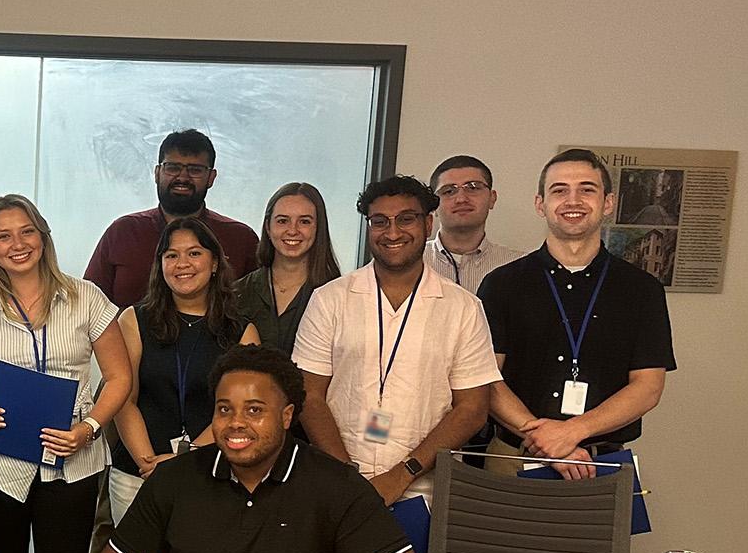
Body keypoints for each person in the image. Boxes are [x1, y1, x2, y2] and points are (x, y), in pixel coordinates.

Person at [96, 344, 428, 553]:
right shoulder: (175, 478)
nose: (236, 423)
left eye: (254, 410)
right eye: (224, 409)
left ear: (286, 416)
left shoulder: (337, 485)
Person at [0, 194, 133, 553]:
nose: (17, 244)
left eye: (27, 232)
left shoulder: (85, 297)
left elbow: (119, 377)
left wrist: (88, 429)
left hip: (72, 462)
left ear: (43, 236)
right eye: (4, 236)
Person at [293, 176, 500, 505]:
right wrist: (346, 474)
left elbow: (473, 409)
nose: (392, 233)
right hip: (337, 481)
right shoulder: (329, 300)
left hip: (423, 487)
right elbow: (308, 395)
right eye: (380, 222)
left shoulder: (463, 308)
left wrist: (403, 473)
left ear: (428, 223)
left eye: (406, 219)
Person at [477, 149, 675, 478]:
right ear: (540, 204)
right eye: (559, 190)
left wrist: (571, 432)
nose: (573, 200)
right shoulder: (502, 285)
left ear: (607, 203)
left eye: (587, 189)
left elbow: (648, 387)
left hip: (601, 465)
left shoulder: (642, 289)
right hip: (513, 455)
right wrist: (544, 440)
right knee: (504, 533)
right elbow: (485, 378)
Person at [109, 217, 242, 525]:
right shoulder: (133, 320)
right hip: (137, 473)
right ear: (161, 266)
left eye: (194, 253)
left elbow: (235, 412)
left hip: (208, 471)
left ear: (214, 264)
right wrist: (149, 465)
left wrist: (184, 461)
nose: (183, 263)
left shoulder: (241, 331)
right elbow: (123, 400)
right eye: (171, 255)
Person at [84, 128, 260, 308]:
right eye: (173, 168)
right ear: (157, 172)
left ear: (211, 178)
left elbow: (261, 307)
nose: (183, 177)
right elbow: (86, 306)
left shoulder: (241, 238)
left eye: (195, 170)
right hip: (124, 336)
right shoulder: (122, 232)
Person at [235, 182, 341, 354]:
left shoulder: (337, 295)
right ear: (268, 227)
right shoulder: (236, 294)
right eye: (283, 221)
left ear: (318, 228)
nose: (293, 230)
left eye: (304, 221)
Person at [425, 155, 523, 292]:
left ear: (492, 198)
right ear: (434, 204)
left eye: (473, 188)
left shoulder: (519, 266)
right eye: (448, 191)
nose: (461, 199)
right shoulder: (411, 262)